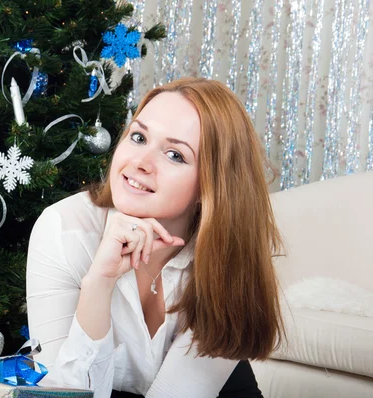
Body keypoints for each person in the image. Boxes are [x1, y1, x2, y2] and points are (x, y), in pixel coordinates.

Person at [26, 77, 285, 397]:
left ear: (211, 186)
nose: (140, 163)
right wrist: (99, 283)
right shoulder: (64, 229)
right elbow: (62, 394)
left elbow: (179, 392)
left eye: (175, 155)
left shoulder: (226, 251)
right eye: (138, 137)